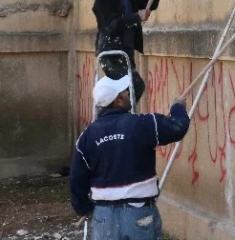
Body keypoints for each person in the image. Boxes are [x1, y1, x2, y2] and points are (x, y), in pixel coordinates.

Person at [70, 74, 189, 240]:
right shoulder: (142, 123)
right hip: (138, 213)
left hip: (104, 216)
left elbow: (77, 178)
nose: (128, 94)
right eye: (125, 93)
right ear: (118, 100)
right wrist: (178, 107)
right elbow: (177, 127)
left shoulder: (87, 136)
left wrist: (85, 208)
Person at [93, 0, 166, 103]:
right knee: (134, 86)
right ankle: (113, 118)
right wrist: (136, 17)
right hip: (111, 53)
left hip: (126, 51)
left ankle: (116, 118)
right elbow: (111, 26)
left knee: (127, 90)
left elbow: (149, 4)